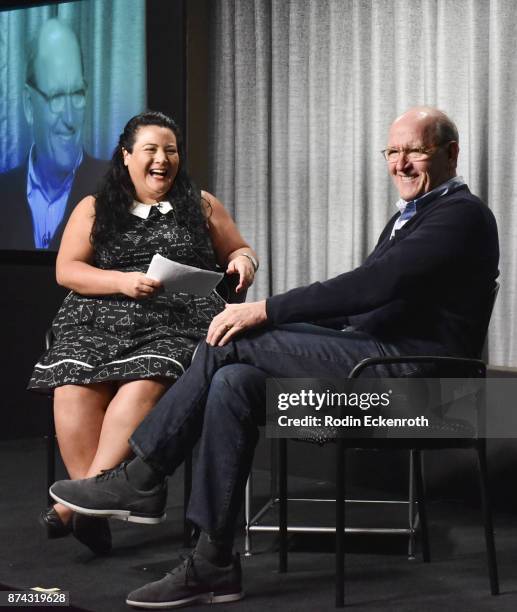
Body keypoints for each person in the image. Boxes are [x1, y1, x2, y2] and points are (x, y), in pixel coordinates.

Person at [50, 107, 499, 608]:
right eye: (392, 152)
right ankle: (213, 561)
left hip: (421, 385)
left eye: (414, 150)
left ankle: (142, 477)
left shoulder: (461, 215)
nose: (400, 163)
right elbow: (372, 305)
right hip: (380, 357)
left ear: (451, 154)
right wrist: (276, 321)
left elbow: (373, 285)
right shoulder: (409, 218)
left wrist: (266, 312)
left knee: (230, 339)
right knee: (233, 381)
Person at [29, 110, 258, 556]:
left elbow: (240, 248)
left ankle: (77, 506)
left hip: (175, 320)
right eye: (151, 149)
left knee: (147, 376)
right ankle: (93, 502)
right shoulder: (95, 206)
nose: (162, 159)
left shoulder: (203, 204)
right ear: (127, 155)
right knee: (71, 380)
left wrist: (244, 261)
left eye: (170, 151)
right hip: (95, 318)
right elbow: (67, 269)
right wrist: (121, 281)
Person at [0, 18, 107, 250]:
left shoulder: (118, 188)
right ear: (29, 105)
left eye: (77, 94)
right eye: (57, 97)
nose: (69, 119)